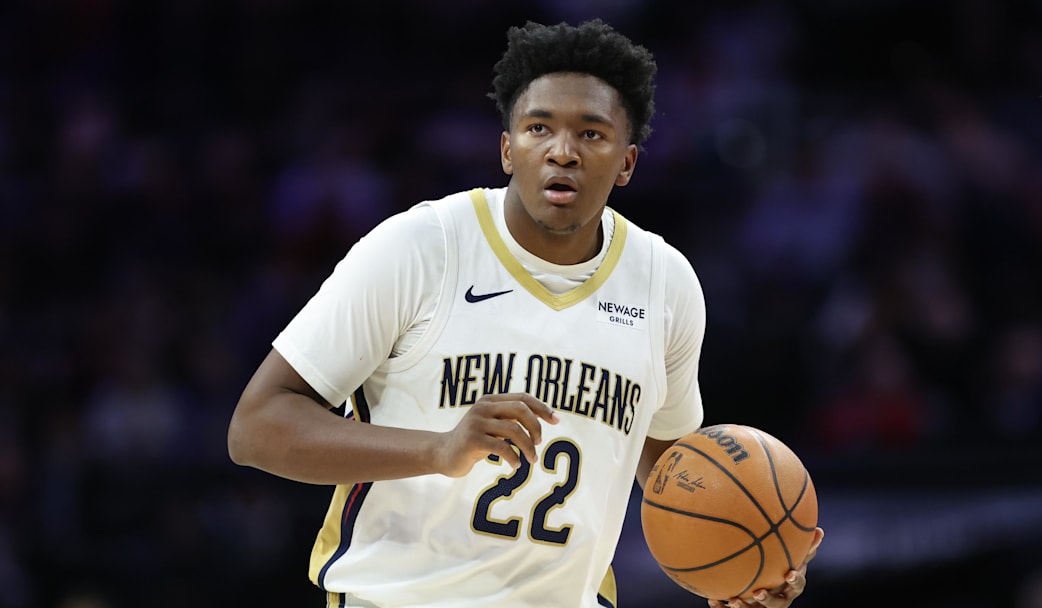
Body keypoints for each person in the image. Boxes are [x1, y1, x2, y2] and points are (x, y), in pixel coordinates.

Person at [228, 18, 823, 608]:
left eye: (591, 134)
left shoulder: (664, 283)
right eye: (540, 128)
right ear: (508, 150)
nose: (562, 151)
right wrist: (436, 450)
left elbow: (670, 465)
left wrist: (741, 564)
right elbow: (256, 428)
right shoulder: (419, 247)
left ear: (627, 163)